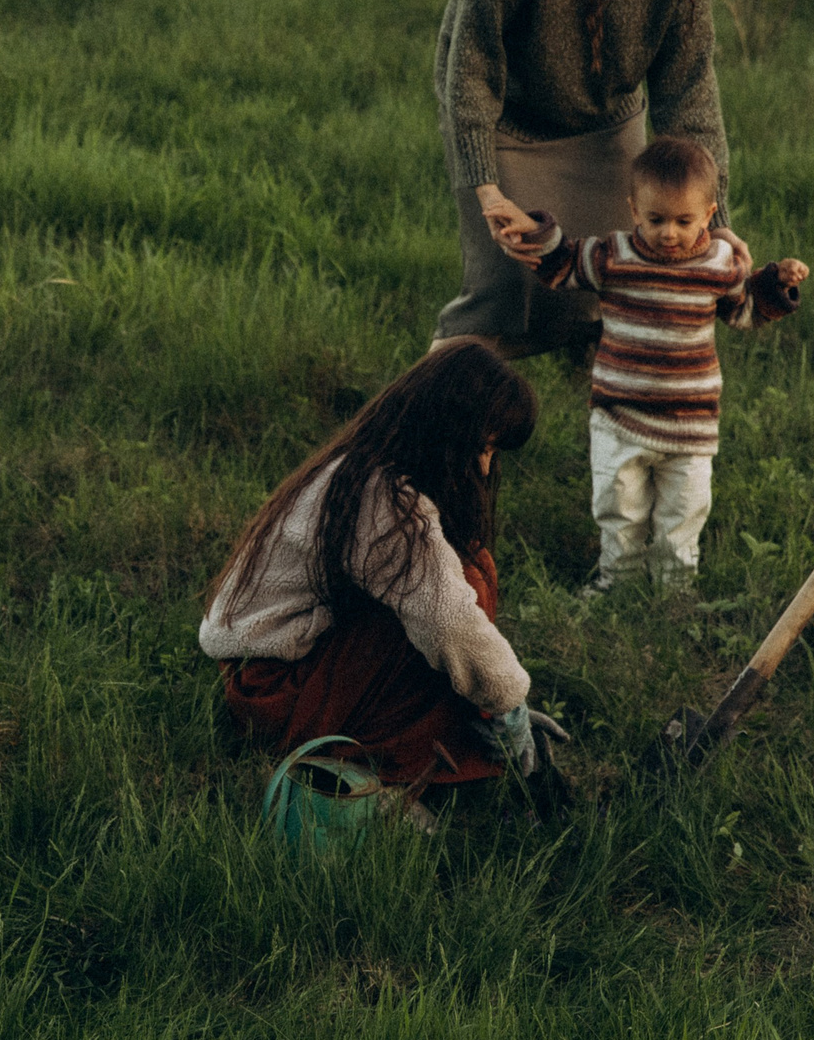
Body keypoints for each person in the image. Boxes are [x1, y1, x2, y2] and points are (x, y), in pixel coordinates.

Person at [432, 0, 738, 357]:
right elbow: (467, 62)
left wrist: (716, 217)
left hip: (606, 132)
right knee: (498, 304)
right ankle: (419, 443)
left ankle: (613, 446)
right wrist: (485, 188)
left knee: (617, 296)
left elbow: (689, 86)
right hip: (508, 129)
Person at [200, 339, 569, 801]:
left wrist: (497, 701)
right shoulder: (384, 502)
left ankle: (446, 742)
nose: (486, 465)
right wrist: (507, 703)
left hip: (269, 677)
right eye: (485, 447)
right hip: (271, 692)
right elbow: (449, 622)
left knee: (461, 577)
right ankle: (382, 774)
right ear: (450, 432)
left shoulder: (363, 469)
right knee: (463, 589)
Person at [501, 135, 806, 592]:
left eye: (684, 221)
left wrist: (775, 283)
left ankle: (673, 595)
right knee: (618, 507)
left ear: (709, 214)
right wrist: (534, 230)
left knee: (683, 514)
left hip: (690, 426)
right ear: (633, 210)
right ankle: (616, 582)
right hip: (620, 417)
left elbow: (744, 310)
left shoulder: (719, 264)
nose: (669, 233)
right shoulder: (613, 256)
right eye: (655, 219)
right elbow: (563, 262)